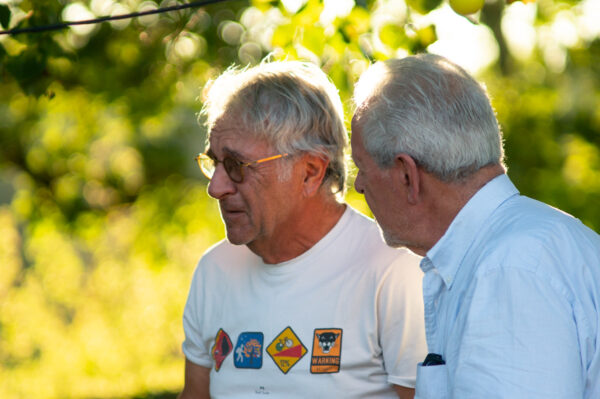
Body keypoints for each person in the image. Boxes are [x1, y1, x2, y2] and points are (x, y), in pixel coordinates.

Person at [350, 53, 600, 399]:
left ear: (407, 174)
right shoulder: (523, 244)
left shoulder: (507, 270)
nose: (359, 185)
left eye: (360, 166)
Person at [178, 60, 427, 399]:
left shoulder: (392, 269)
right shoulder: (214, 269)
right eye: (215, 163)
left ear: (310, 172)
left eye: (237, 166)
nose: (216, 187)